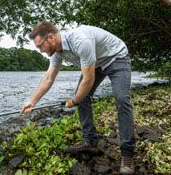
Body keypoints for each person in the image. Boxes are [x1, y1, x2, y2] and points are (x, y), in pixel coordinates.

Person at [20, 21, 136, 175]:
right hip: (95, 63)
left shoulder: (81, 41)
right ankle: (90, 141)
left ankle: (127, 154)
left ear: (50, 38)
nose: (40, 50)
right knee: (82, 96)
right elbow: (48, 78)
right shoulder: (56, 52)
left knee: (121, 99)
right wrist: (32, 101)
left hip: (116, 57)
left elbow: (88, 80)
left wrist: (74, 101)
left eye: (40, 46)